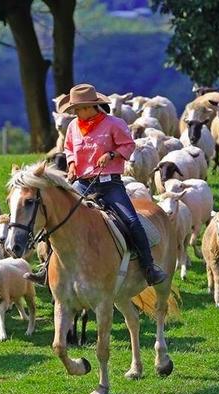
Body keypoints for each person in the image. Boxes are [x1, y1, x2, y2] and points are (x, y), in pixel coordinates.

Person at [59, 83, 167, 286]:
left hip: (110, 185)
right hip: (82, 183)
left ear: (91, 106)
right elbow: (69, 148)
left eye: (78, 108)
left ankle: (149, 267)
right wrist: (72, 164)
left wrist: (111, 154)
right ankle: (47, 268)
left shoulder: (114, 123)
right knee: (60, 217)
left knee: (132, 221)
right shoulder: (74, 126)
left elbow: (128, 145)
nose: (75, 113)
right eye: (74, 109)